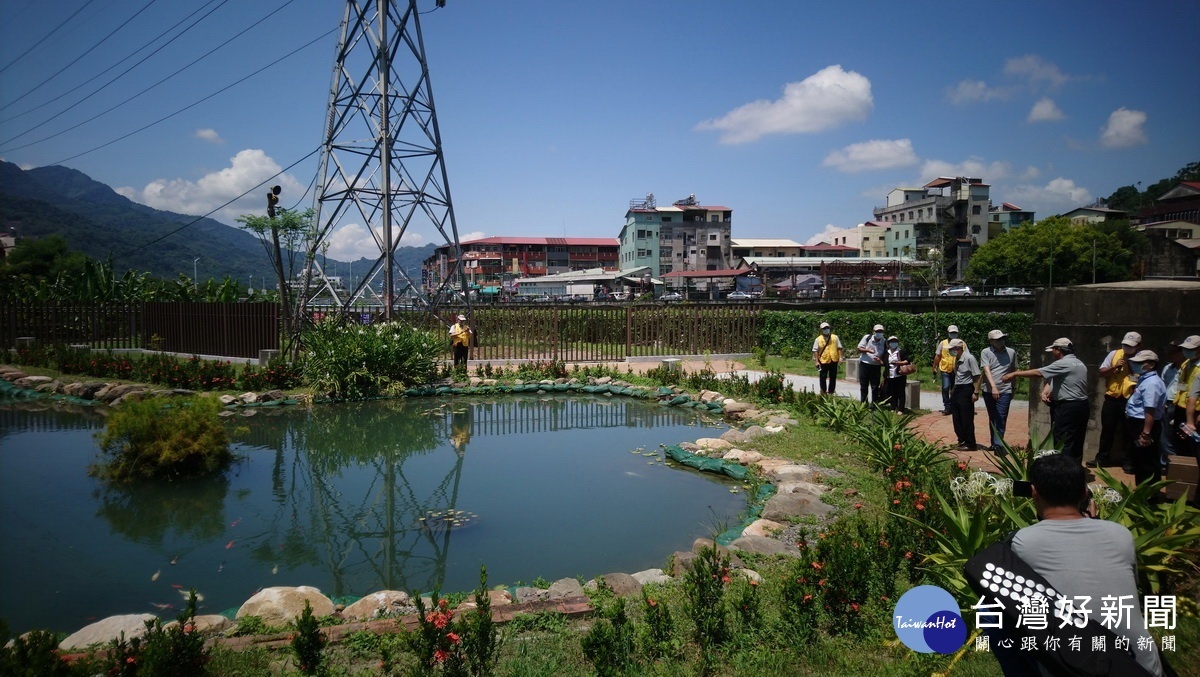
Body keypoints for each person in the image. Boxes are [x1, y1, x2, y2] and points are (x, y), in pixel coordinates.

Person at [997, 453, 1165, 676]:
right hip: (1141, 666)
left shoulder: (1023, 541)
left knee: (992, 611)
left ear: (1034, 493)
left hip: (1076, 666)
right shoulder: (1120, 534)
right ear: (1085, 493)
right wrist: (1094, 523)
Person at [1004, 337, 1089, 462]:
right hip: (1081, 406)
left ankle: (1063, 469)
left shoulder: (1062, 363)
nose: (1052, 354)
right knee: (1076, 439)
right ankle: (1075, 469)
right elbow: (1062, 380)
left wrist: (1014, 374)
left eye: (1053, 350)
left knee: (1062, 439)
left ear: (1058, 350)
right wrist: (1047, 391)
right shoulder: (1079, 363)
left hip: (1068, 407)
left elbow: (1038, 373)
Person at [1092, 331, 1141, 470]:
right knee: (1107, 430)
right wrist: (1115, 367)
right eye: (1125, 345)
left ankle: (1128, 461)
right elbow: (1101, 372)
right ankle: (1102, 458)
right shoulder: (1114, 354)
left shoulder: (1142, 358)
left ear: (1138, 346)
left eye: (1131, 346)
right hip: (1112, 398)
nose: (1127, 348)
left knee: (1129, 432)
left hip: (1130, 399)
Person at [1125, 350, 1167, 485]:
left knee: (1147, 461)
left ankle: (1149, 495)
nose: (1135, 365)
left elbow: (1150, 409)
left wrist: (1146, 433)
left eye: (1140, 363)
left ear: (1151, 364)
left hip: (1144, 425)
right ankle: (1143, 491)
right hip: (1138, 423)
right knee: (1140, 459)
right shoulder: (1144, 379)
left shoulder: (1152, 383)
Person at [980, 329, 1017, 453]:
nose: (1001, 341)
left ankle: (999, 445)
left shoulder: (1011, 352)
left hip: (1005, 390)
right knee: (993, 417)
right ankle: (994, 442)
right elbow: (986, 370)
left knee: (1001, 417)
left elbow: (1014, 371)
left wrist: (1014, 388)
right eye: (997, 340)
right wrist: (993, 387)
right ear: (991, 341)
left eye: (1002, 338)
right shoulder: (985, 352)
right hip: (989, 390)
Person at [947, 338, 981, 450]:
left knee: (966, 417)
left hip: (966, 389)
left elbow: (977, 375)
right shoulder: (957, 358)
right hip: (957, 388)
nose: (950, 351)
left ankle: (970, 443)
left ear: (958, 348)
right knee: (956, 416)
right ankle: (961, 440)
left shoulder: (969, 358)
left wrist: (976, 392)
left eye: (951, 349)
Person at [1170, 335, 1200, 458]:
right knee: (1180, 442)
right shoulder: (1186, 364)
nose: (1187, 352)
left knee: (1194, 445)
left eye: (1191, 349)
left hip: (1196, 411)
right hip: (1181, 407)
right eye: (1185, 349)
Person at [1159, 342, 1185, 473]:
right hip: (1166, 404)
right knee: (1164, 437)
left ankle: (1174, 465)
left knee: (1173, 438)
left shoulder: (1188, 368)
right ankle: (1165, 463)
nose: (1170, 355)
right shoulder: (1168, 368)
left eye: (1173, 352)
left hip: (1179, 405)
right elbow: (1163, 384)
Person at [933, 325, 964, 415]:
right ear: (948, 333)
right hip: (945, 369)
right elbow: (938, 355)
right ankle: (947, 406)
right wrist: (934, 366)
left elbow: (966, 355)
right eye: (951, 333)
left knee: (955, 389)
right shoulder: (943, 343)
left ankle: (954, 406)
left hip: (957, 370)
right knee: (945, 387)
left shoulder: (962, 343)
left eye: (955, 333)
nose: (953, 334)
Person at [856, 323, 887, 404]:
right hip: (864, 364)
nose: (879, 333)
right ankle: (863, 403)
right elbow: (859, 348)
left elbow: (886, 354)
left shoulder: (884, 341)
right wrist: (867, 350)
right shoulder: (867, 338)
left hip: (876, 366)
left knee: (875, 386)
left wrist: (880, 360)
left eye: (881, 331)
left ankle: (874, 403)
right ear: (873, 331)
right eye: (877, 331)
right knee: (864, 386)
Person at [811, 321, 844, 395]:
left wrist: (841, 357)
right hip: (823, 360)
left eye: (827, 328)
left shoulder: (835, 337)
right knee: (823, 377)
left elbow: (839, 348)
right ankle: (823, 391)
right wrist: (816, 361)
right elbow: (815, 351)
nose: (826, 329)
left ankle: (831, 392)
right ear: (821, 330)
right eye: (824, 328)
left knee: (833, 377)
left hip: (833, 359)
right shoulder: (818, 339)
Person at [883, 335, 912, 412]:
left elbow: (908, 360)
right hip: (890, 375)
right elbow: (884, 362)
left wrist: (900, 363)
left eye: (895, 342)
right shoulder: (886, 352)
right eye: (892, 342)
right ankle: (893, 407)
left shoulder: (901, 351)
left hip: (899, 374)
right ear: (888, 343)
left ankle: (901, 409)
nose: (893, 343)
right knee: (891, 391)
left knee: (901, 392)